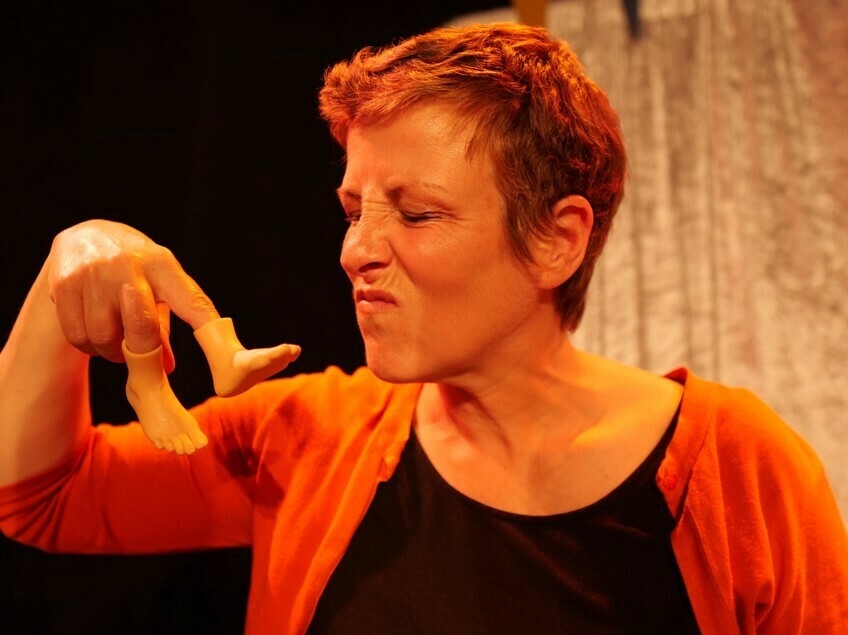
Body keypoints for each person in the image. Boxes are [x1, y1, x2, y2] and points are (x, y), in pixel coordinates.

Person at [1, 21, 846, 635]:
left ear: (557, 240)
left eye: (416, 213)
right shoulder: (305, 440)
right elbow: (41, 495)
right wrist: (71, 258)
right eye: (353, 211)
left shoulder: (739, 471)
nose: (354, 252)